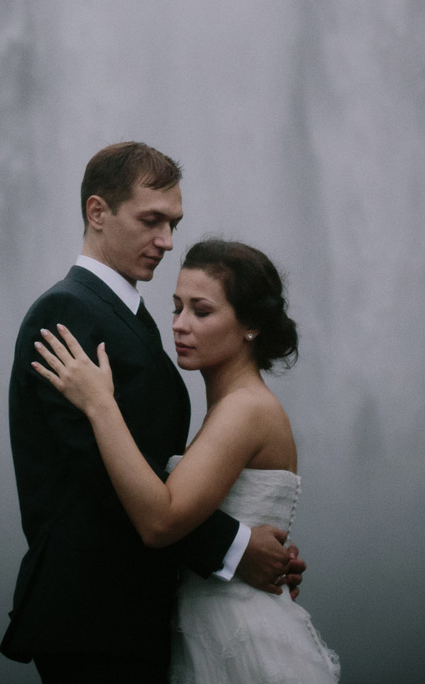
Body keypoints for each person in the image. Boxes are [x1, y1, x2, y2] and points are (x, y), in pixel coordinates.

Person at [1, 143, 305, 683]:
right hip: (94, 616)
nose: (166, 241)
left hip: (133, 614)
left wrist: (248, 549)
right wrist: (236, 548)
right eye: (151, 221)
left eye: (173, 223)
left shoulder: (125, 315)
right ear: (98, 213)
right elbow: (106, 476)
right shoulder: (68, 310)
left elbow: (154, 472)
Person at [33, 238, 340, 683]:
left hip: (238, 639)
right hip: (212, 627)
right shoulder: (231, 406)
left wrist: (100, 404)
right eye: (176, 308)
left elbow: (162, 520)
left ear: (250, 324)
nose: (179, 325)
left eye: (201, 311)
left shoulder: (245, 409)